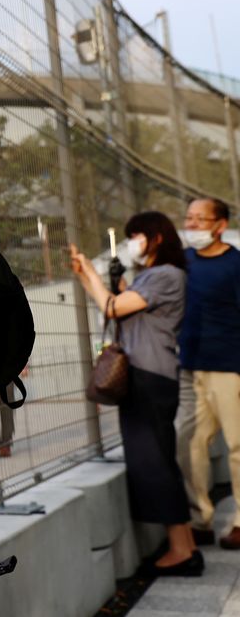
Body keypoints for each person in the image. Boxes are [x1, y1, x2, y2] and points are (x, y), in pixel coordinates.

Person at [69, 211, 199, 575]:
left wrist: (90, 275)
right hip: (152, 375)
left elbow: (111, 307)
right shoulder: (154, 277)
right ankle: (185, 546)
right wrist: (99, 279)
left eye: (136, 236)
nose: (132, 243)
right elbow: (122, 306)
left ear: (156, 237)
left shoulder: (166, 275)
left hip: (149, 376)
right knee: (161, 460)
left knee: (153, 463)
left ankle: (181, 551)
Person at [175, 197, 240, 547]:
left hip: (230, 368)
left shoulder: (235, 264)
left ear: (220, 225)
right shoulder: (183, 262)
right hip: (191, 367)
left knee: (238, 446)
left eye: (201, 219)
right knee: (189, 443)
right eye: (189, 218)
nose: (193, 224)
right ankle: (200, 519)